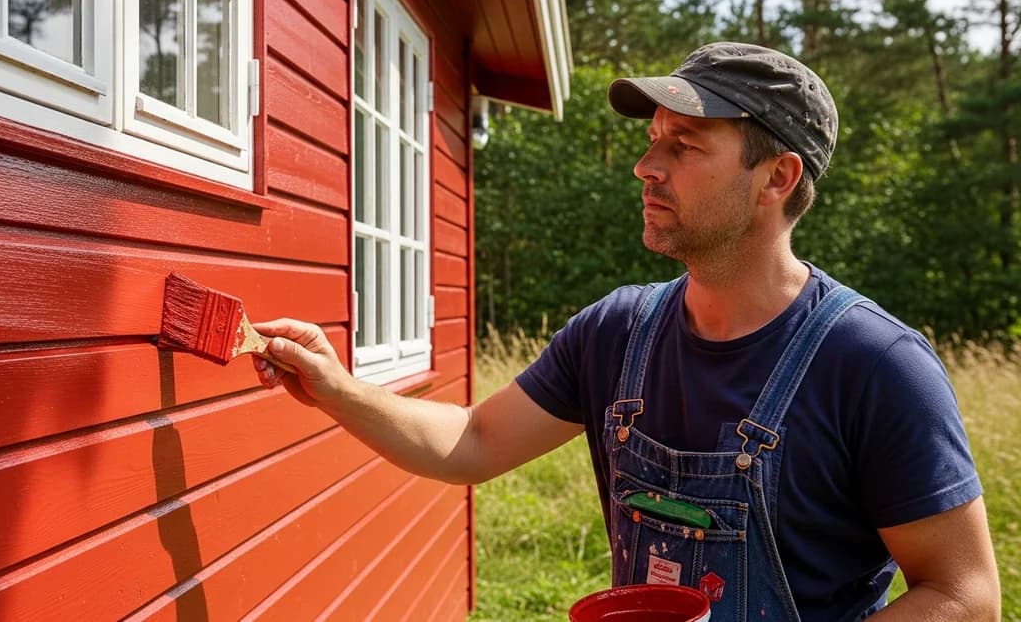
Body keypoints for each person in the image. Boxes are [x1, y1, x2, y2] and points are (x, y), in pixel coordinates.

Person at [251, 42, 1001, 621]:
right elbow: (473, 440)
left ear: (776, 178)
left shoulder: (874, 364)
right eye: (652, 140)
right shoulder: (616, 332)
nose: (645, 166)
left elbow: (965, 595)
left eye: (684, 146)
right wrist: (335, 387)